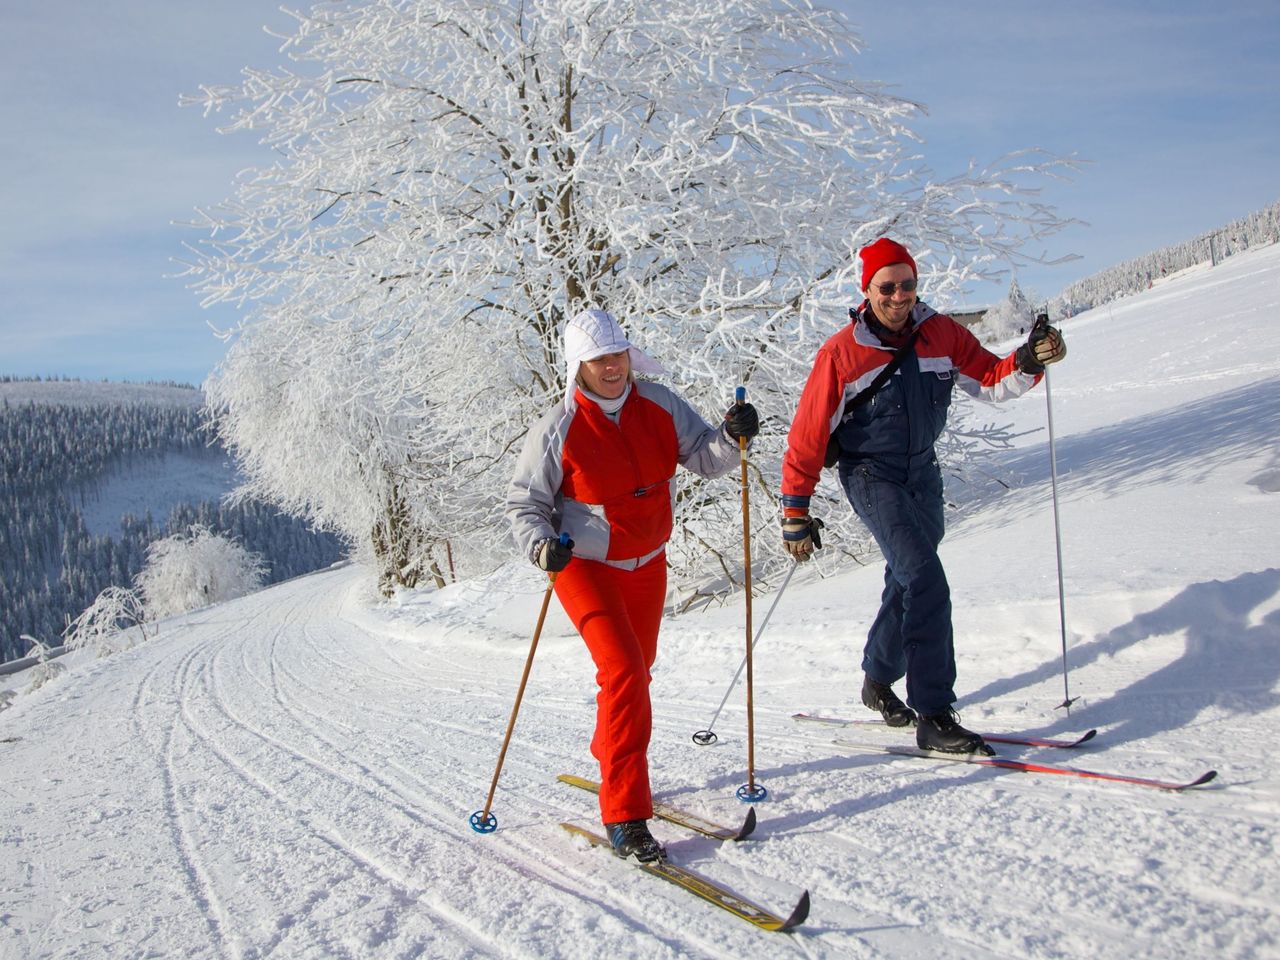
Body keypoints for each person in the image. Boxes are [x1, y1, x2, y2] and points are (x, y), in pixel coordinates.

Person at [779, 238, 1066, 755]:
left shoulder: (943, 334)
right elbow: (808, 435)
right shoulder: (842, 353)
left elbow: (991, 381)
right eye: (886, 287)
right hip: (872, 475)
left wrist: (1028, 358)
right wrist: (795, 512)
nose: (899, 296)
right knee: (925, 577)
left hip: (923, 475)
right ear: (867, 291)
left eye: (907, 284)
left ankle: (877, 677)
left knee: (908, 577)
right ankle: (934, 714)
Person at [507, 307, 759, 862]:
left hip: (648, 561)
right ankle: (625, 812)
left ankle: (609, 752)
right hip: (582, 565)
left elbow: (705, 458)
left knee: (635, 674)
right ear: (579, 366)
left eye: (617, 354)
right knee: (622, 671)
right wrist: (541, 547)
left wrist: (732, 435)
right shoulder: (558, 427)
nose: (611, 366)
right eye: (598, 359)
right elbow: (525, 504)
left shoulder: (661, 405)